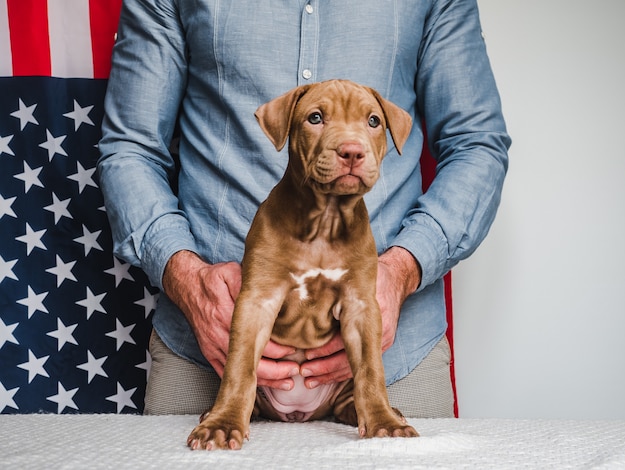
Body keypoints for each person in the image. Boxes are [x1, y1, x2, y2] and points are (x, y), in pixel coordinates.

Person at [98, 0, 510, 418]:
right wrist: (186, 277)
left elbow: (477, 144)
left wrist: (401, 271)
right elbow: (130, 147)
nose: (349, 144)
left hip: (396, 352)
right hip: (208, 346)